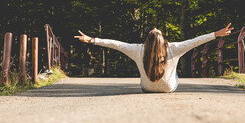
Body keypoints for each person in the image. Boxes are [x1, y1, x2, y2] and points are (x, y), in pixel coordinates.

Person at [74, 23, 234, 93]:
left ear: (148, 41)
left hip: (146, 88)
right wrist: (216, 34)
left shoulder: (138, 49)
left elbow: (116, 44)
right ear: (163, 40)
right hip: (169, 88)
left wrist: (92, 40)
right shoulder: (174, 48)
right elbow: (195, 41)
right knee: (175, 73)